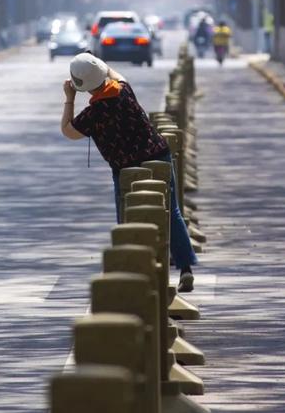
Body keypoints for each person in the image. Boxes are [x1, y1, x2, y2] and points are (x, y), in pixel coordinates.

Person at [60, 52, 197, 292]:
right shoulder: (123, 91)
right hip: (159, 156)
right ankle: (185, 267)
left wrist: (69, 98)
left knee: (128, 219)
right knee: (171, 211)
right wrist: (100, 65)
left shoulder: (93, 115)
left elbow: (68, 131)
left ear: (80, 85)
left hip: (127, 171)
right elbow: (116, 75)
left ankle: (136, 275)